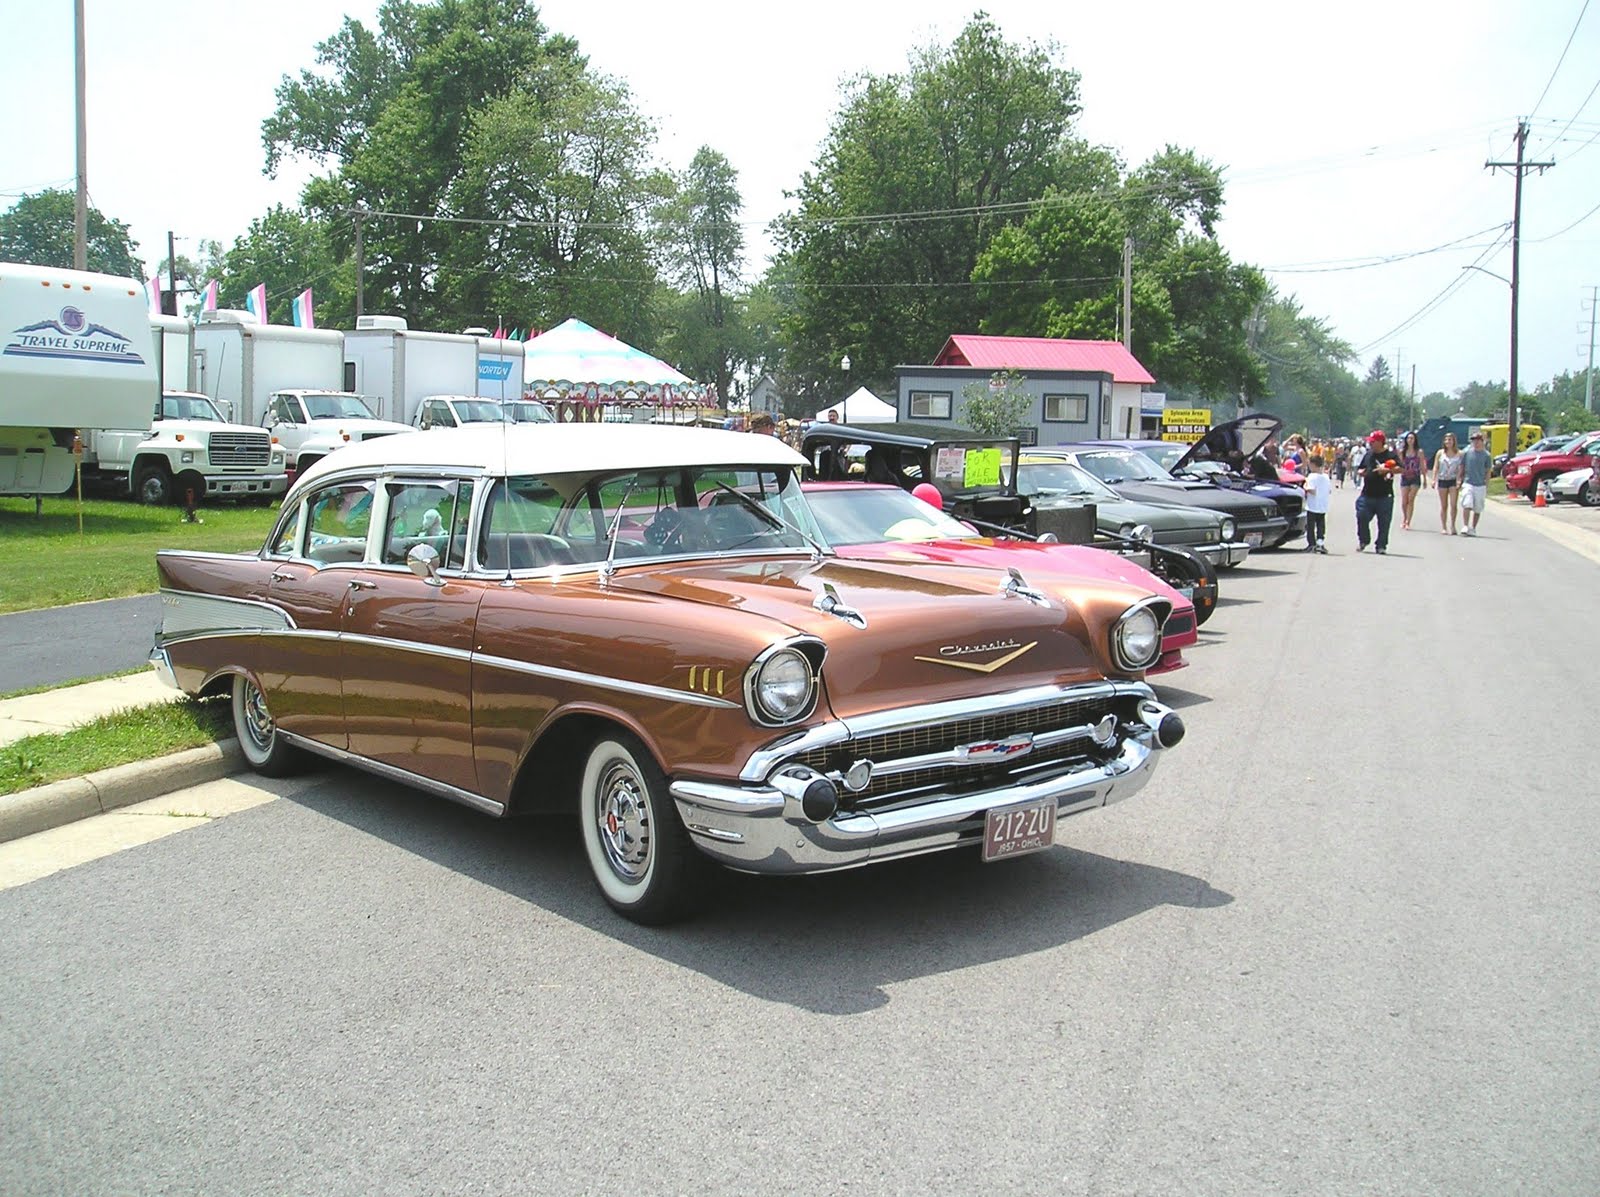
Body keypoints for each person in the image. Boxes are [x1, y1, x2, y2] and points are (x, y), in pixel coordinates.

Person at [1355, 430, 1399, 553]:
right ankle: (1363, 539)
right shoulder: (1368, 455)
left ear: (1380, 442)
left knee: (1384, 522)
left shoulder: (1391, 455)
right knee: (1361, 515)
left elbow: (1400, 468)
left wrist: (1387, 470)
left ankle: (1381, 545)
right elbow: (1361, 468)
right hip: (1367, 493)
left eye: (1373, 442)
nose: (1370, 444)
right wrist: (1361, 472)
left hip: (1385, 495)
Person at [1459, 430, 1493, 536]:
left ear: (1482, 441)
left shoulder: (1486, 455)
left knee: (1478, 508)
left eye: (1478, 440)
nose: (1476, 443)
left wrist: (1486, 483)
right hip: (1468, 482)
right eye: (1474, 440)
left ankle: (1473, 528)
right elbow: (1462, 466)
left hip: (1480, 484)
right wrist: (1459, 479)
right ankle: (1465, 525)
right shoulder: (1467, 453)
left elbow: (1488, 470)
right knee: (1467, 503)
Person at [1433, 431, 1463, 534]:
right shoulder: (1440, 453)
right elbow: (1436, 466)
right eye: (1446, 440)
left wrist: (1459, 479)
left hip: (1453, 480)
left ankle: (1453, 525)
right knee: (1444, 505)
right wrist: (1434, 479)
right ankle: (1444, 526)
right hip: (1442, 479)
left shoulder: (1459, 453)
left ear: (1454, 441)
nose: (1448, 442)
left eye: (1450, 440)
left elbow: (1460, 468)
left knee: (1453, 504)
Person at [1396, 431, 1428, 530]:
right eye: (1408, 438)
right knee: (1404, 500)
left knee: (1411, 499)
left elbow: (1422, 465)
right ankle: (1404, 518)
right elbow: (1399, 464)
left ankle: (1408, 521)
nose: (1410, 440)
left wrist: (1425, 479)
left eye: (1412, 438)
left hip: (1415, 477)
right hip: (1405, 477)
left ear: (1415, 440)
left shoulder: (1419, 452)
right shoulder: (1402, 452)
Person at [1301, 453, 1331, 553]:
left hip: (1313, 506)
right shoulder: (1326, 477)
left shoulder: (1312, 476)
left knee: (1310, 526)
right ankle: (1320, 543)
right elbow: (1329, 490)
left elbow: (1312, 490)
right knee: (1321, 526)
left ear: (1313, 465)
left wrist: (1304, 486)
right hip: (1323, 505)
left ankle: (1311, 544)